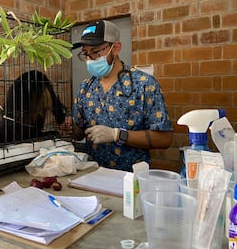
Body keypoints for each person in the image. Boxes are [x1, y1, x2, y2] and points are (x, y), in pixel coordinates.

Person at [72, 20, 173, 171]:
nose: (89, 60)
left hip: (131, 179)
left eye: (96, 52)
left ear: (115, 48)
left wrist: (118, 134)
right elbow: (79, 134)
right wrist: (69, 126)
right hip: (92, 175)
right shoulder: (85, 89)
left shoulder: (143, 84)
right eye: (86, 54)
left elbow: (164, 139)